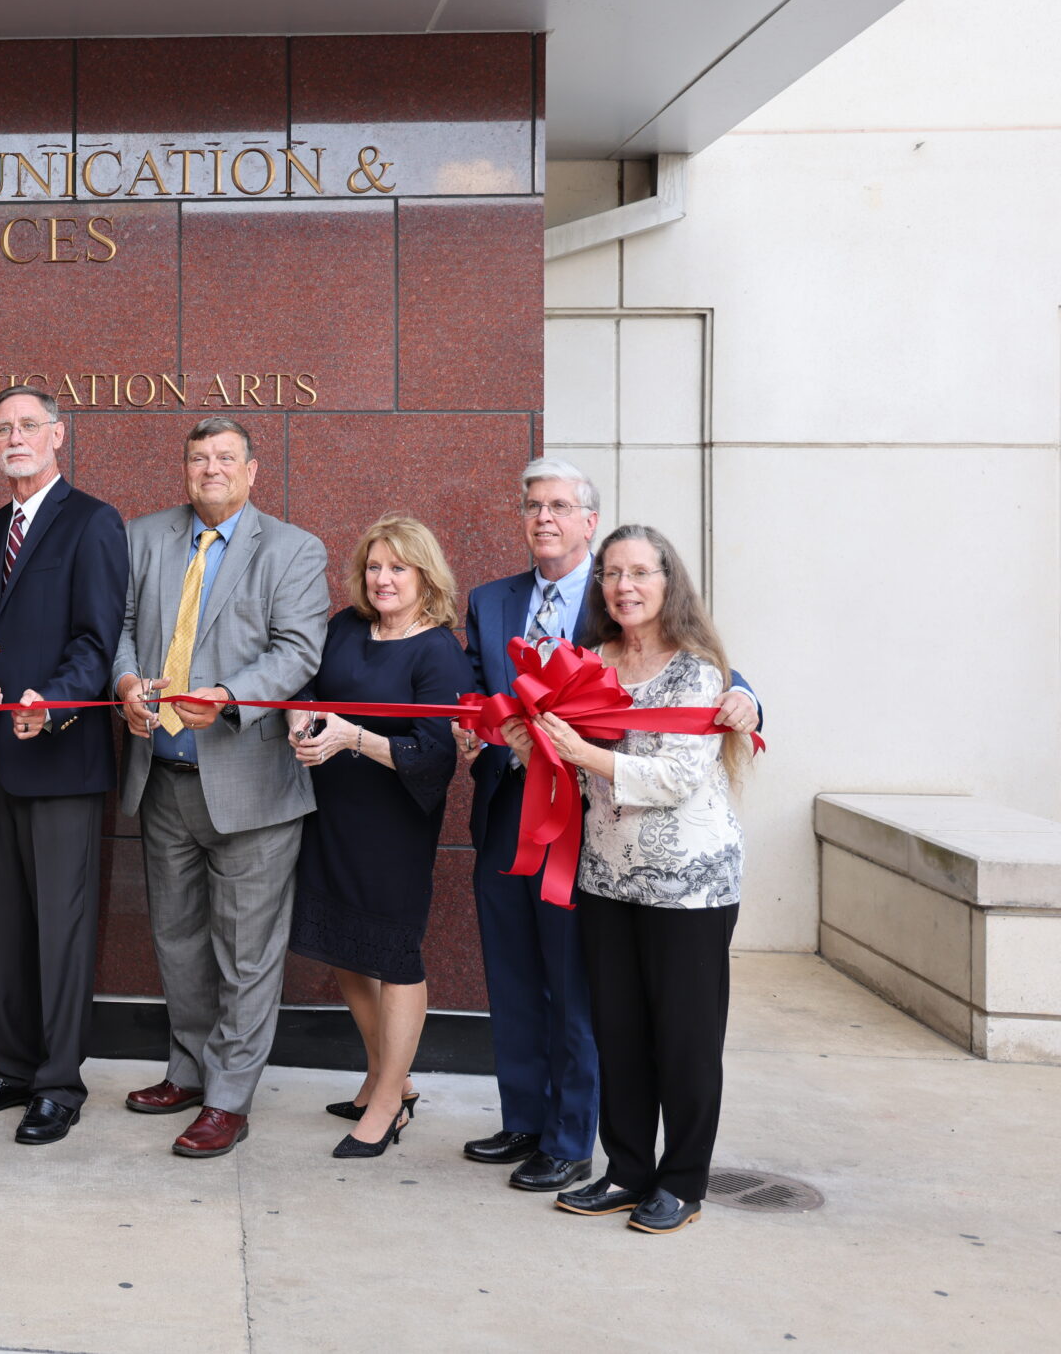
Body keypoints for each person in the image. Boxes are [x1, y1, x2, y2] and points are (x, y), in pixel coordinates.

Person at [460, 459, 758, 1194]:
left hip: (648, 854)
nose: (545, 518)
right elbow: (480, 692)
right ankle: (549, 1131)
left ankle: (598, 1151)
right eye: (533, 505)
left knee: (625, 1016)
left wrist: (749, 698)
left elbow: (702, 693)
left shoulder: (648, 632)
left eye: (561, 505)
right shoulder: (523, 617)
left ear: (588, 522)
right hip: (547, 828)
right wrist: (482, 729)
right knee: (554, 995)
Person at [112, 416, 328, 1159]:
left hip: (250, 784)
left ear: (253, 470)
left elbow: (299, 650)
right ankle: (189, 1068)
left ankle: (229, 1097)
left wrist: (232, 695)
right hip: (163, 776)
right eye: (199, 457)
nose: (211, 468)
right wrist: (127, 683)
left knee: (245, 951)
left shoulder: (294, 550)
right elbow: (122, 627)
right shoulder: (144, 537)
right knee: (176, 941)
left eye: (225, 457)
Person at [526, 524, 751, 1235]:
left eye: (640, 573)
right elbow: (555, 749)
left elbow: (678, 777)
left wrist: (582, 753)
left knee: (683, 1039)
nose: (624, 586)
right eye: (612, 575)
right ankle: (626, 1170)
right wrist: (520, 737)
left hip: (690, 885)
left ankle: (682, 1182)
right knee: (618, 1034)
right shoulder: (589, 661)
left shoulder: (700, 672)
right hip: (607, 877)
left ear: (667, 582)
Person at [0, 385, 128, 1147]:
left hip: (61, 758)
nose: (14, 438)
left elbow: (96, 638)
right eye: (2, 429)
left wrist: (51, 702)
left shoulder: (93, 522)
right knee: (3, 925)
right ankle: (12, 1066)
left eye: (28, 426)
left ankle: (58, 1083)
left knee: (61, 928)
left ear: (59, 435)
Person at [284, 514, 476, 1158]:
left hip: (393, 824)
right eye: (375, 567)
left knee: (393, 957)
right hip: (331, 813)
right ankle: (384, 1075)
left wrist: (352, 737)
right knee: (343, 947)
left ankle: (390, 1102)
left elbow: (435, 756)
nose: (384, 579)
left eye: (399, 567)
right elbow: (312, 685)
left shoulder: (439, 650)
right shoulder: (345, 625)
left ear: (426, 576)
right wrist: (305, 718)